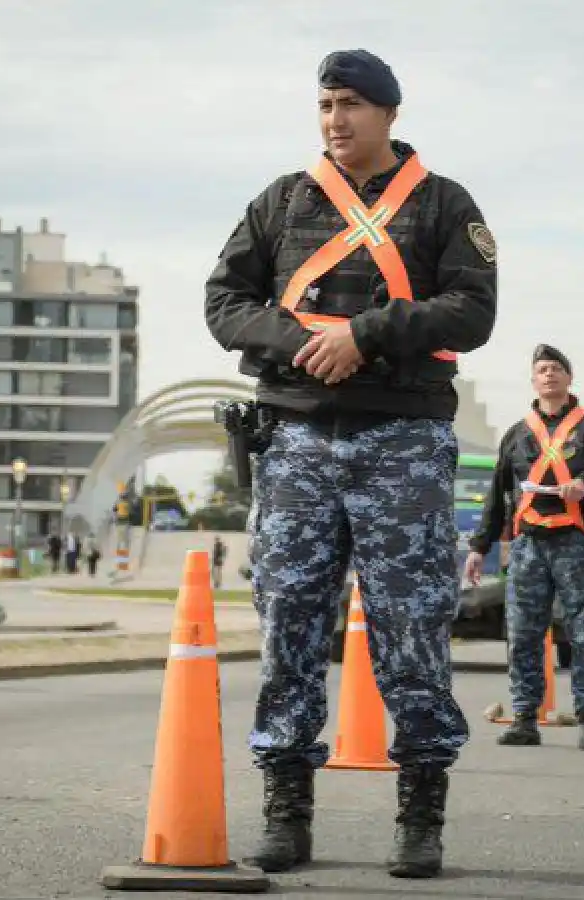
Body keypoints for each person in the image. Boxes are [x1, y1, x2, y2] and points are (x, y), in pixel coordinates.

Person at [204, 48, 497, 879]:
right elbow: (223, 301)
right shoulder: (282, 200)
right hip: (295, 440)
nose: (336, 120)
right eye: (327, 104)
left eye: (352, 105)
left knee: (411, 627)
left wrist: (363, 336)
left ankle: (420, 813)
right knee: (288, 622)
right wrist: (305, 345)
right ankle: (286, 810)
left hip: (401, 440)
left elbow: (473, 309)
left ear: (390, 114)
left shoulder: (444, 203)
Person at [463, 344, 584, 752]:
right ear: (533, 380)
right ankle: (524, 718)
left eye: (557, 368)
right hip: (528, 546)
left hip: (575, 544)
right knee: (522, 634)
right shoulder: (517, 435)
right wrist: (479, 546)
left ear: (569, 378)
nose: (549, 375)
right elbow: (497, 494)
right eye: (542, 369)